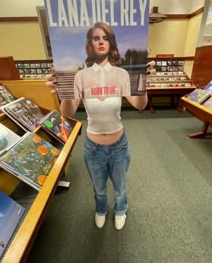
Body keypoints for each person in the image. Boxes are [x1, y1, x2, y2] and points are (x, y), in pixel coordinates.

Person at [46, 22, 147, 230]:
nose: (101, 41)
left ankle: (121, 209)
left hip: (119, 146)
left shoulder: (121, 74)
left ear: (111, 43)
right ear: (89, 44)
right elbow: (67, 113)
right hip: (93, 148)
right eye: (96, 38)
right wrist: (62, 91)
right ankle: (101, 209)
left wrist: (144, 85)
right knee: (99, 189)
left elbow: (140, 105)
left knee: (120, 188)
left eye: (105, 38)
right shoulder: (81, 76)